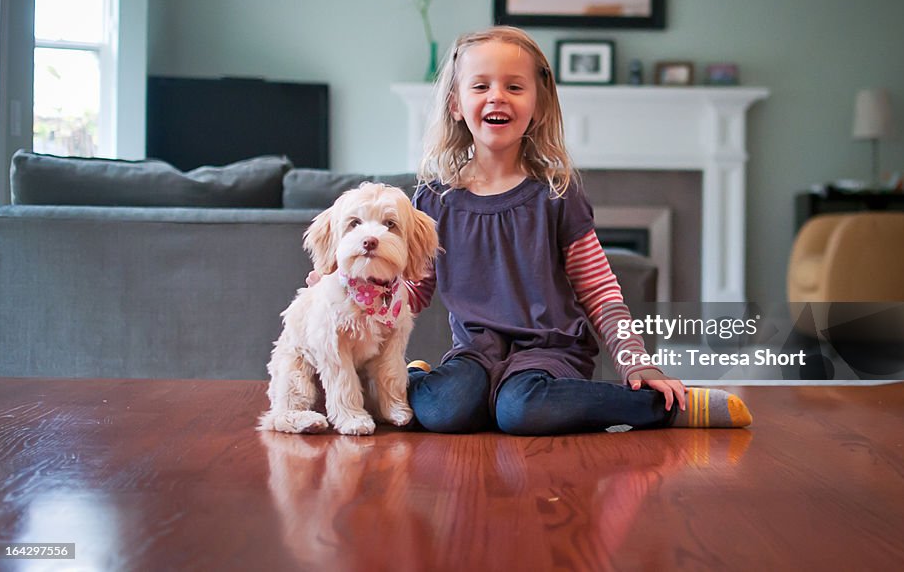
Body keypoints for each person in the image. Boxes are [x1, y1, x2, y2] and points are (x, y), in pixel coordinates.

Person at [311, 26, 751, 435]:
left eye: (514, 87)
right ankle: (428, 381)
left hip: (551, 353)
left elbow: (600, 291)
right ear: (455, 104)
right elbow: (415, 289)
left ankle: (666, 408)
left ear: (537, 106)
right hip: (476, 353)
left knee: (522, 410)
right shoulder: (434, 200)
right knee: (445, 410)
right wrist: (349, 286)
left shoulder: (557, 194)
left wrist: (638, 365)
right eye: (480, 86)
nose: (497, 97)